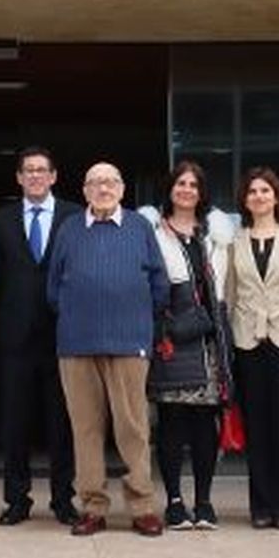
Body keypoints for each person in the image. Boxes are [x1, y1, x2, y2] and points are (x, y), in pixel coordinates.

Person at [48, 162, 169, 537]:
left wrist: (134, 317)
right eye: (96, 183)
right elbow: (53, 287)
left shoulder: (140, 226)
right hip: (77, 345)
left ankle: (142, 507)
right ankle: (93, 507)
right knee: (85, 430)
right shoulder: (69, 228)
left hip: (129, 343)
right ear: (84, 190)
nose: (103, 189)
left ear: (121, 189)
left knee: (133, 428)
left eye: (111, 182)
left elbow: (159, 284)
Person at [0, 146, 82, 527]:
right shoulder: (1, 220)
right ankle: (17, 500)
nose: (35, 176)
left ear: (54, 176)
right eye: (28, 170)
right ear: (18, 177)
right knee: (15, 423)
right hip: (15, 338)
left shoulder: (75, 216)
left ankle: (63, 499)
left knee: (63, 423)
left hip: (63, 336)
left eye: (42, 170)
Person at [139, 162, 234, 531]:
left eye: (194, 184)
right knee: (172, 422)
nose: (187, 190)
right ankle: (175, 502)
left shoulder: (216, 234)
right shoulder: (153, 231)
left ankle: (204, 502)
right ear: (170, 188)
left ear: (201, 192)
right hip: (172, 335)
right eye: (180, 183)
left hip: (210, 338)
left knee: (204, 423)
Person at [225, 167, 279, 530]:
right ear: (244, 201)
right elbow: (231, 295)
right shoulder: (235, 241)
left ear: (277, 197)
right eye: (252, 192)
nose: (259, 196)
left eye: (265, 191)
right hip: (247, 342)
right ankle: (261, 506)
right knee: (257, 428)